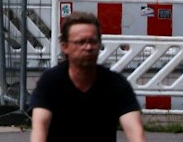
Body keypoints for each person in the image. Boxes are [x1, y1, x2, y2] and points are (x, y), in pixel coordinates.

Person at [28, 11, 146, 141]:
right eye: (81, 42)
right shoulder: (50, 82)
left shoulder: (116, 84)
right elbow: (40, 127)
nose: (88, 47)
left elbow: (135, 132)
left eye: (93, 41)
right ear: (65, 46)